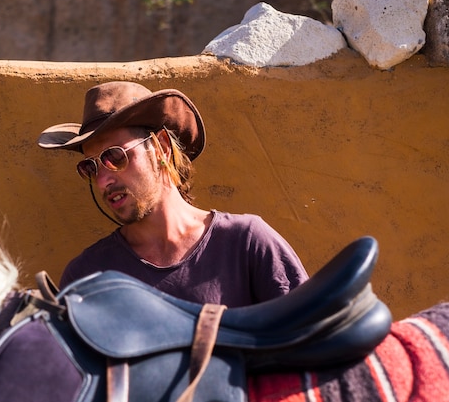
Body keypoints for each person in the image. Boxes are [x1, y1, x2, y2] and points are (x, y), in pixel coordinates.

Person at [37, 81, 308, 307]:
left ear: (162, 148)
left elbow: (311, 343)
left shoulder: (246, 244)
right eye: (91, 167)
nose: (103, 180)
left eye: (114, 156)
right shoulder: (88, 275)